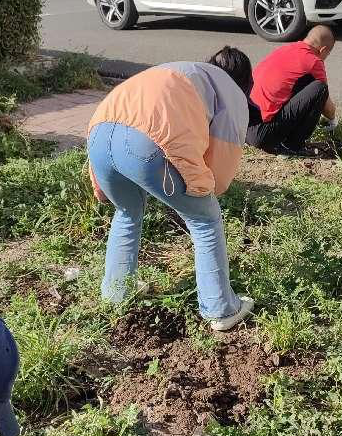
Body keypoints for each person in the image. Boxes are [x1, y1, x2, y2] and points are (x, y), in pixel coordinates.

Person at [87, 48, 255, 332]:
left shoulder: (182, 70)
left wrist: (100, 184)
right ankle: (221, 308)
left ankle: (117, 291)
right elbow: (222, 161)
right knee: (205, 220)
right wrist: (204, 192)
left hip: (99, 135)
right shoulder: (231, 90)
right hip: (149, 139)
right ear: (246, 82)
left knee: (127, 211)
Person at [246, 25, 338, 156]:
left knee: (303, 82)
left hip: (246, 126)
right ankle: (292, 146)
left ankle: (284, 139)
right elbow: (328, 109)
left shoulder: (286, 49)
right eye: (327, 54)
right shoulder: (314, 61)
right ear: (323, 50)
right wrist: (333, 121)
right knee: (320, 89)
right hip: (263, 135)